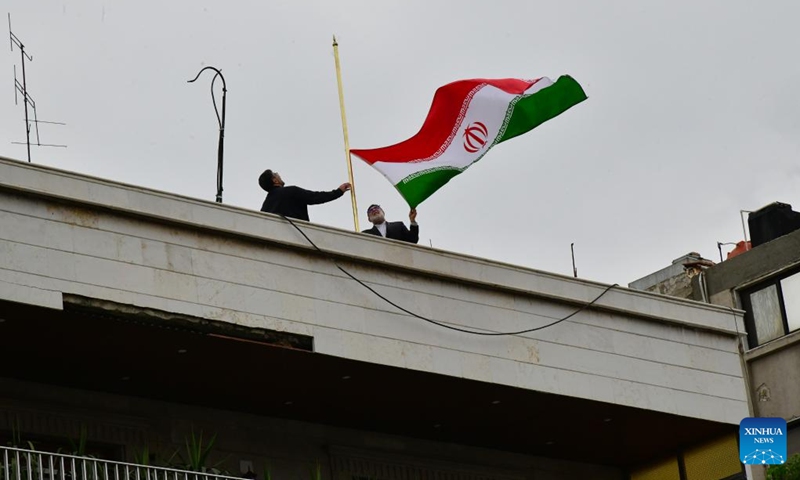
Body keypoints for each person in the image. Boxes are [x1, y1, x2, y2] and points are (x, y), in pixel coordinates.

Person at [258, 169, 350, 221]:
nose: (278, 174)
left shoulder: (264, 207)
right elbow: (315, 197)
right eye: (275, 174)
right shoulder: (291, 191)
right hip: (299, 237)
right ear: (275, 180)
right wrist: (338, 192)